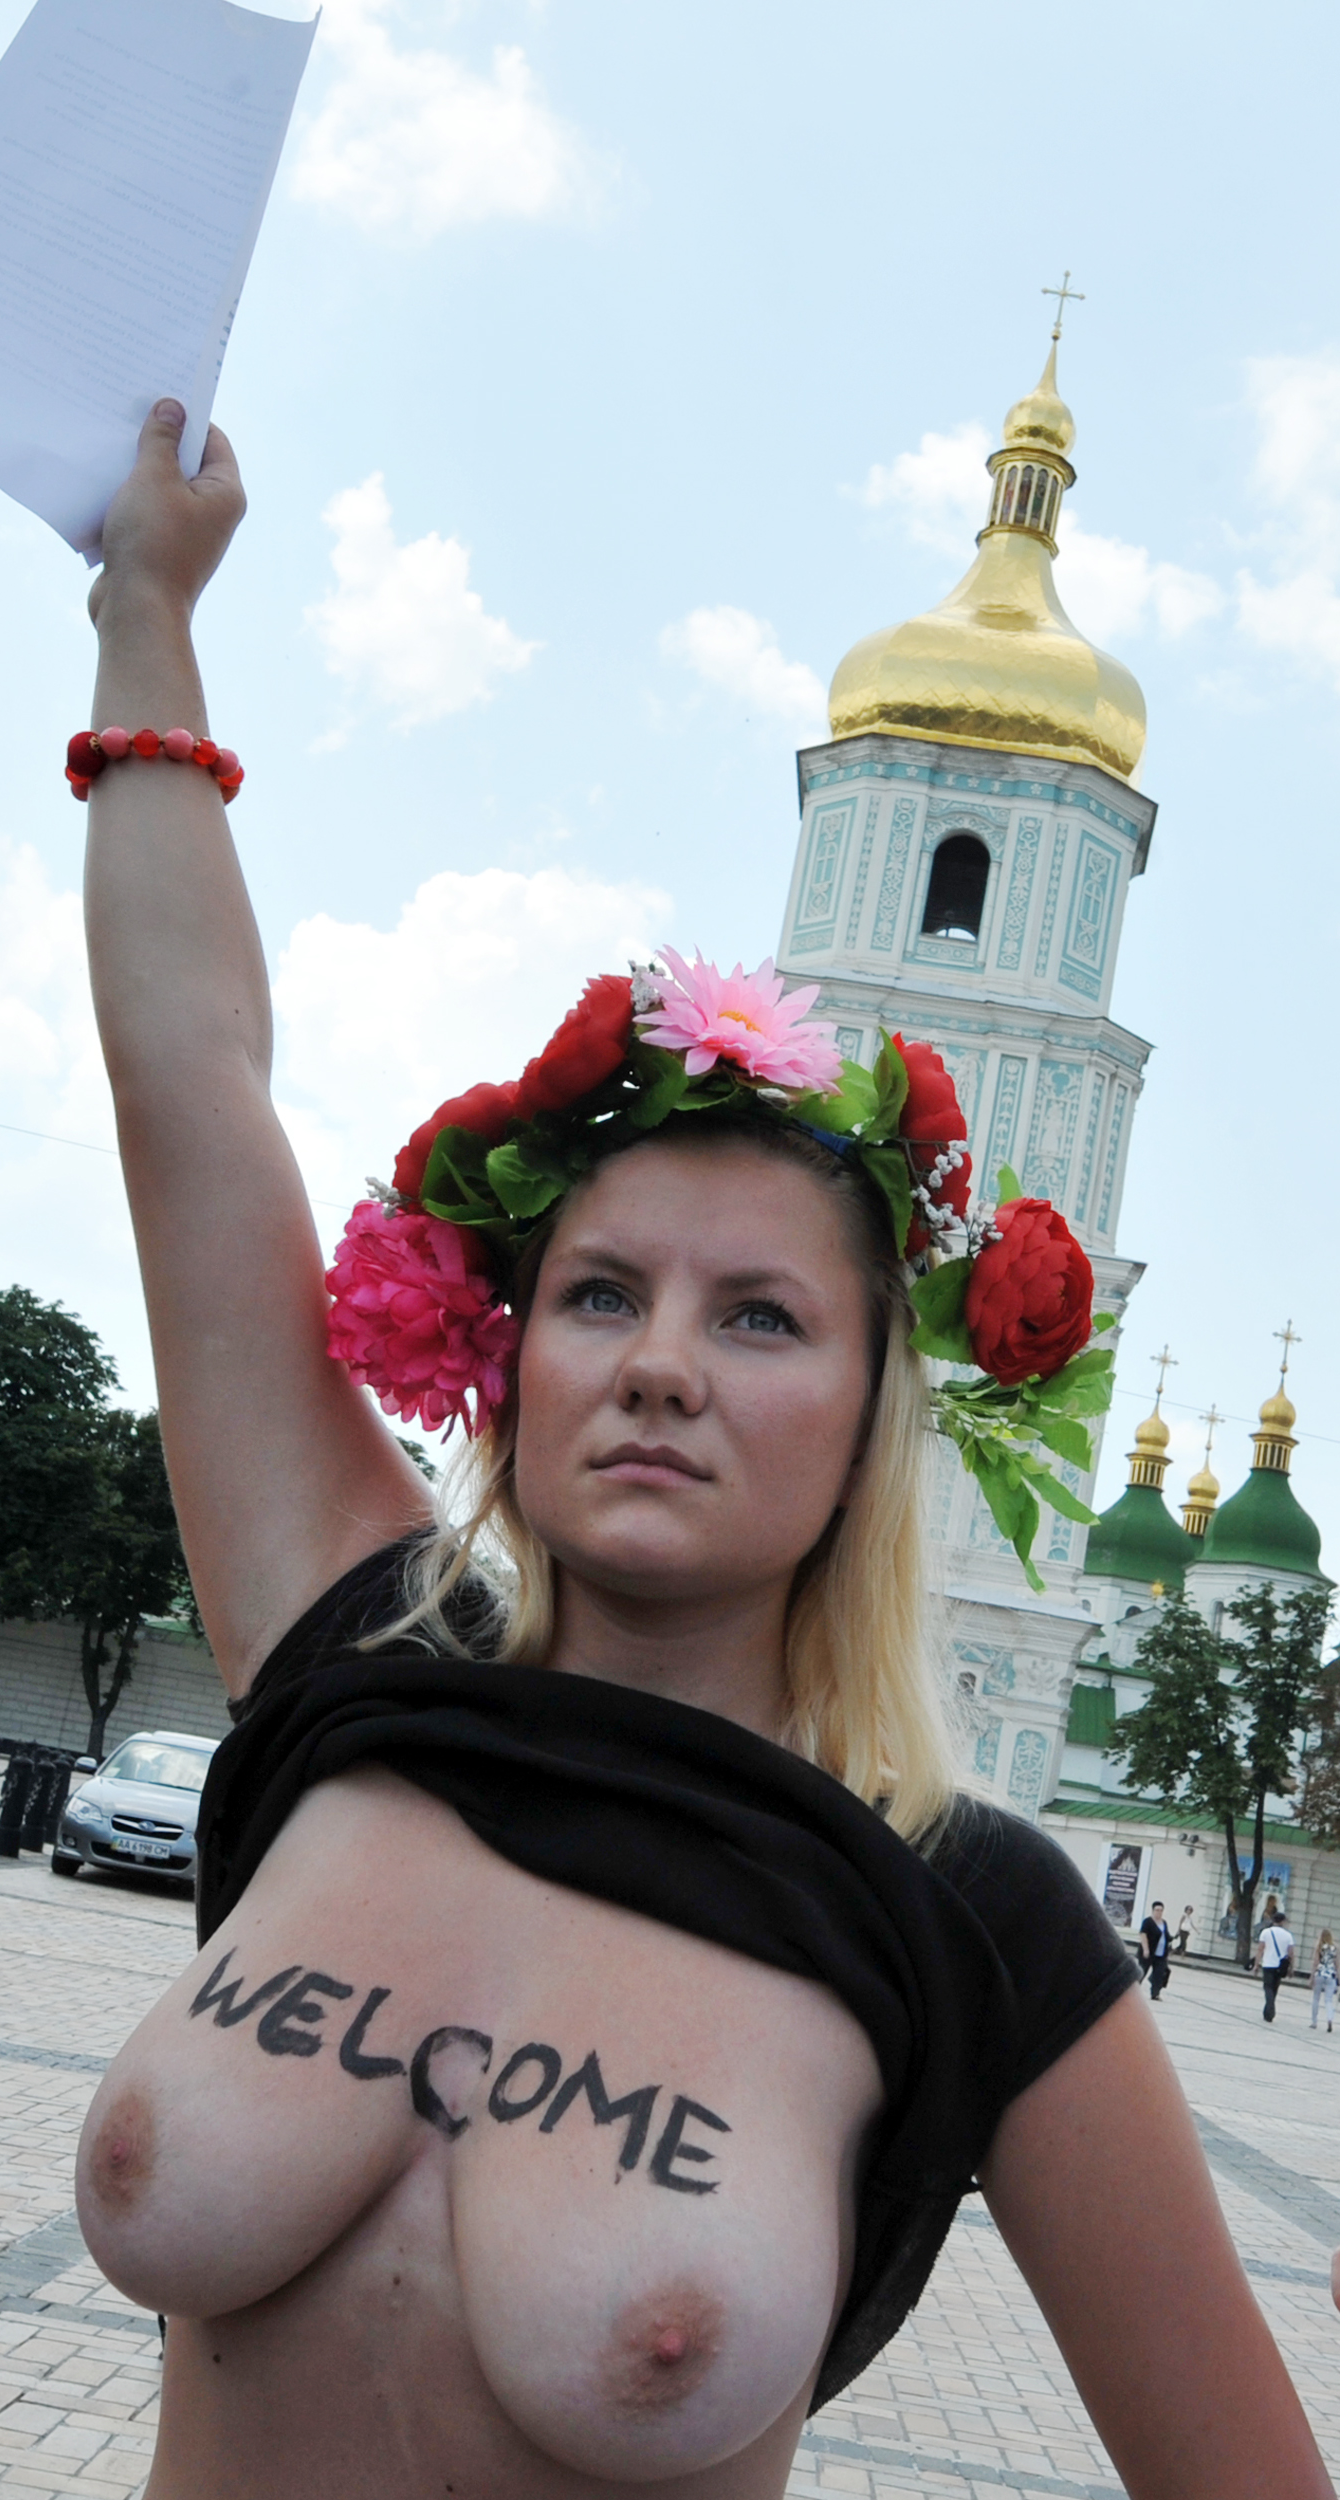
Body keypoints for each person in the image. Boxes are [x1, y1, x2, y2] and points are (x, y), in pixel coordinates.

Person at [66, 402, 1334, 2500]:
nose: (660, 1360)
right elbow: (190, 1092)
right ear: (513, 1349)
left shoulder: (977, 1912)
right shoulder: (353, 1647)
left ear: (873, 1413)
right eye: (599, 1292)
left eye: (758, 1317)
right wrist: (146, 616)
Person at [1254, 1913, 1297, 2022]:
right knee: (1274, 1988)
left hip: (1268, 1964)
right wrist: (1291, 1968)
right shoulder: (1288, 1935)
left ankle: (1269, 2010)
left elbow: (1260, 1949)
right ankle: (1268, 2012)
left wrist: (1256, 1964)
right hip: (1280, 1966)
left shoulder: (1265, 1932)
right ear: (1282, 1921)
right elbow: (1291, 1953)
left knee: (1267, 1987)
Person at [1138, 1901, 1172, 2001]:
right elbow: (1143, 1935)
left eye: (1161, 1910)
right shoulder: (1148, 1922)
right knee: (1141, 1972)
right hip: (1149, 1952)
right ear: (1153, 1910)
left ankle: (1155, 1994)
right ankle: (1132, 1992)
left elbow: (1166, 1936)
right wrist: (1145, 1949)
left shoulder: (1164, 1923)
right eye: (1157, 1910)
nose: (1159, 1912)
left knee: (1159, 1973)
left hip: (1161, 1954)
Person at [1311, 1931, 1337, 2034]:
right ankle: (1329, 2019)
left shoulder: (1319, 1947)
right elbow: (1337, 1964)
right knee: (1329, 2000)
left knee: (1316, 1998)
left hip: (1320, 1973)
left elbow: (1315, 1962)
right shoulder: (1335, 1948)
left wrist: (1312, 1976)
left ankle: (1314, 2021)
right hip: (1331, 1975)